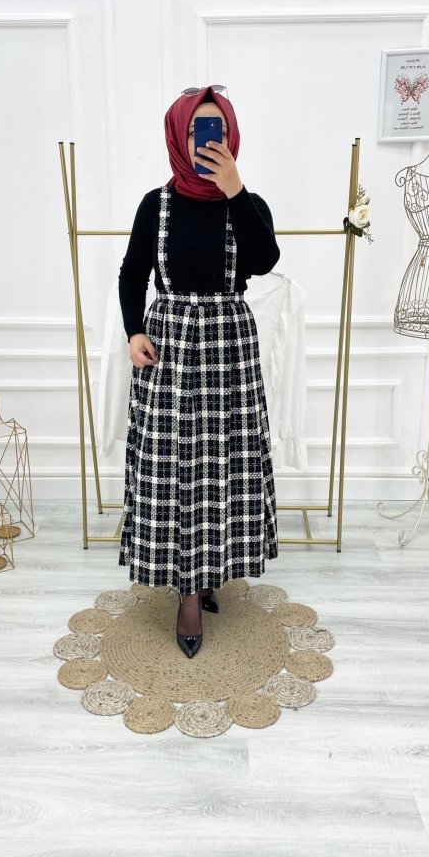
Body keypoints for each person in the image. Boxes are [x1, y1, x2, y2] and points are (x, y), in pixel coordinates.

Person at [117, 85, 279, 658]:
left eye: (217, 128)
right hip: (169, 349)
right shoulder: (155, 205)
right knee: (176, 467)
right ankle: (187, 594)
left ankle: (211, 573)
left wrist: (234, 190)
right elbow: (132, 273)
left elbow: (263, 261)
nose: (206, 139)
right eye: (195, 129)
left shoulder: (248, 202)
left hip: (229, 347)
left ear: (231, 134)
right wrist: (134, 331)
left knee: (223, 467)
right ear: (177, 135)